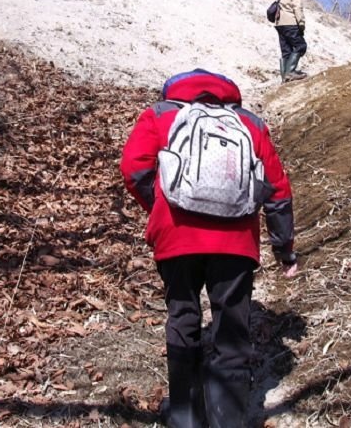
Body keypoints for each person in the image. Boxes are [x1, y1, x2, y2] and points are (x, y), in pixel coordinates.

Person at [120, 68, 298, 428]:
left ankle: (185, 416)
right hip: (236, 243)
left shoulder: (160, 114)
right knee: (231, 329)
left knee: (183, 317)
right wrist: (285, 249)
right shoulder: (249, 122)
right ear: (228, 93)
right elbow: (277, 189)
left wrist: (163, 206)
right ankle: (227, 419)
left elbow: (133, 168)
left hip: (176, 236)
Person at [272, 0, 307, 83]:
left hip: (279, 24)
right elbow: (297, 6)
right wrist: (301, 23)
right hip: (290, 22)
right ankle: (290, 72)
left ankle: (284, 77)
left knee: (286, 50)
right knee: (301, 46)